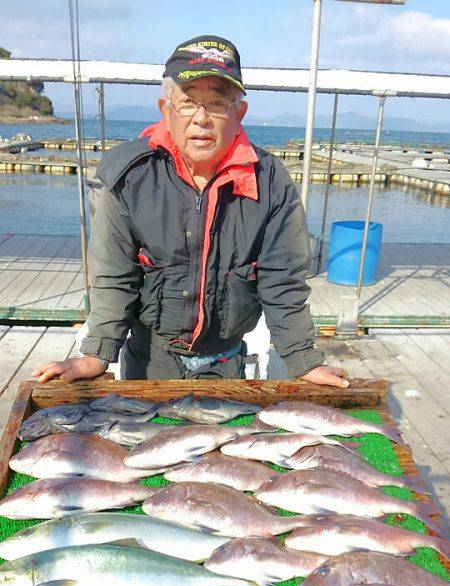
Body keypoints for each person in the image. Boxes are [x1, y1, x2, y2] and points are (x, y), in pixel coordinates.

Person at [33, 35, 348, 388]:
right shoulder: (128, 175)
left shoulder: (271, 181)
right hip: (150, 361)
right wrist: (95, 353)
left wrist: (303, 360)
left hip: (228, 361)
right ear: (166, 110)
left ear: (238, 112)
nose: (201, 118)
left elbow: (283, 280)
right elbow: (113, 274)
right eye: (187, 103)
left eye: (216, 103)